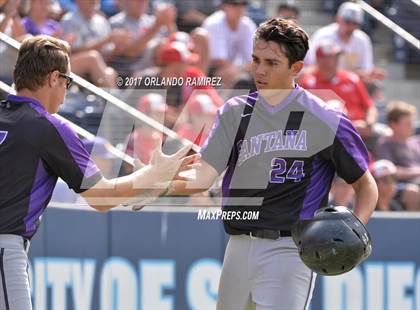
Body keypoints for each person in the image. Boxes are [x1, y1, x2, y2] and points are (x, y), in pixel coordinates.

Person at [156, 18, 378, 309]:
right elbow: (202, 178)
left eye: (272, 63)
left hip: (290, 249)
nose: (260, 70)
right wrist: (156, 182)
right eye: (256, 60)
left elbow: (366, 185)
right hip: (238, 245)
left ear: (296, 68)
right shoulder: (235, 112)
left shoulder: (324, 118)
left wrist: (355, 232)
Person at [0, 35, 197, 310]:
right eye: (68, 81)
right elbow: (101, 197)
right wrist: (155, 174)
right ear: (54, 78)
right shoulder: (49, 126)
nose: (67, 90)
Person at [300, 40, 378, 139]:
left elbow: (370, 107)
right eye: (333, 57)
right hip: (327, 136)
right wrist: (349, 128)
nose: (337, 60)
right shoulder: (309, 83)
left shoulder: (351, 79)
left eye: (337, 57)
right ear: (320, 60)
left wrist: (368, 124)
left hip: (361, 134)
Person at [304, 1, 386, 84]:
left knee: (374, 86)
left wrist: (370, 74)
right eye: (347, 21)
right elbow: (313, 66)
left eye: (355, 23)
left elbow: (365, 69)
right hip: (323, 82)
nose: (350, 26)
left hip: (350, 83)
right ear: (338, 18)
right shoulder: (323, 35)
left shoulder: (362, 39)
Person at [375, 101, 420, 211]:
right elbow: (390, 172)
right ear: (393, 124)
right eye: (407, 123)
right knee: (412, 192)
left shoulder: (416, 142)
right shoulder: (385, 144)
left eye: (412, 122)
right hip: (397, 187)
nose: (412, 126)